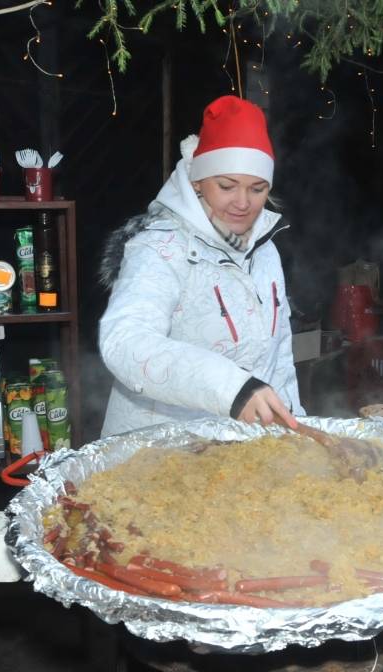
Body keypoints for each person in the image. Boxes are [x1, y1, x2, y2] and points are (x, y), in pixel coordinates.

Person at [97, 95, 303, 436]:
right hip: (159, 453)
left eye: (257, 188)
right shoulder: (160, 248)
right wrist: (231, 388)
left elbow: (278, 357)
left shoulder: (266, 252)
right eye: (226, 186)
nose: (242, 202)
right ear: (197, 181)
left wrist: (294, 424)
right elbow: (125, 343)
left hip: (242, 455)